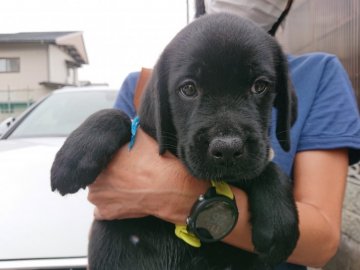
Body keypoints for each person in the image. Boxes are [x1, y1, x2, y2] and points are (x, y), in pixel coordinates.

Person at [88, 0, 360, 269]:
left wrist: (190, 197)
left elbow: (323, 245)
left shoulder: (319, 73)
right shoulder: (142, 84)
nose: (227, 141)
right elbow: (107, 199)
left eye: (259, 86)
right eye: (189, 89)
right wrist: (113, 126)